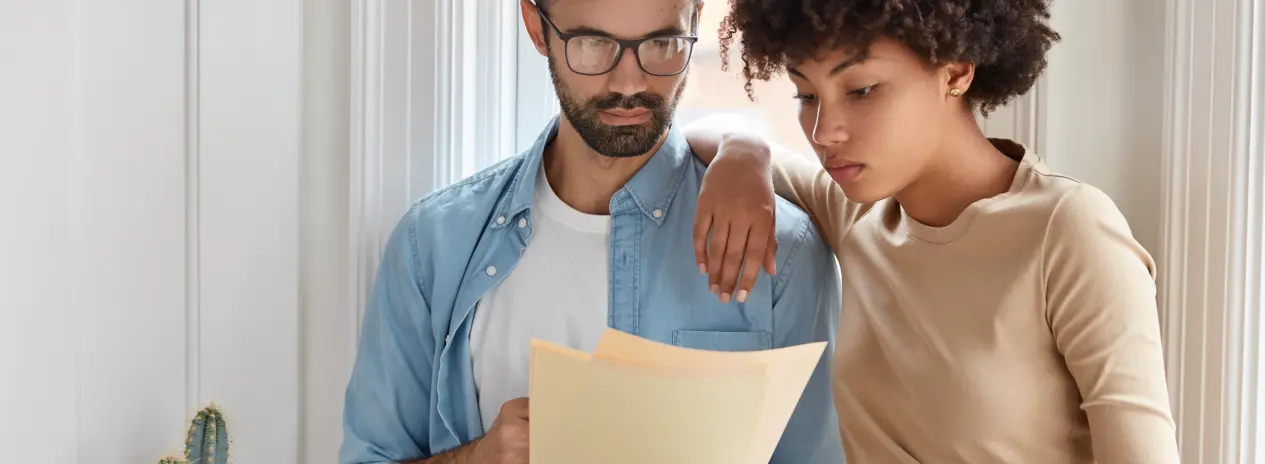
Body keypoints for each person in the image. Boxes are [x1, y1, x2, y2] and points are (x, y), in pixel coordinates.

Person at [339, 0, 844, 463]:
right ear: (537, 28)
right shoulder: (432, 245)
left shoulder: (784, 251)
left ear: (695, 22)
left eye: (662, 44)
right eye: (592, 44)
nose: (629, 82)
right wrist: (476, 459)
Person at [682, 0, 1181, 463]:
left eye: (861, 90)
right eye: (807, 94)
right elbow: (700, 131)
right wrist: (744, 152)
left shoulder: (1068, 230)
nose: (824, 131)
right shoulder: (857, 213)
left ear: (956, 72)